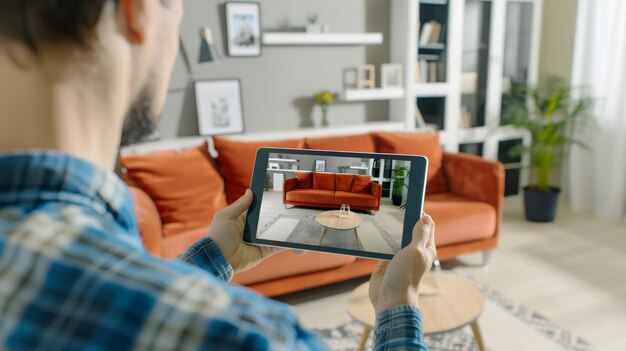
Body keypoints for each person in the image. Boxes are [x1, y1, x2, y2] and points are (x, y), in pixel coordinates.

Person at [0, 1, 437, 350]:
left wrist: (214, 256)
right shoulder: (245, 334)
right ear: (139, 12)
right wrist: (397, 303)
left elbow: (102, 306)